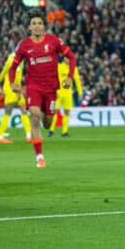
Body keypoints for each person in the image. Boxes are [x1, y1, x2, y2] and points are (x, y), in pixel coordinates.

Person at [9, 10, 77, 168]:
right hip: (33, 87)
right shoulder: (24, 45)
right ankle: (39, 156)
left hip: (51, 89)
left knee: (47, 123)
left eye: (39, 23)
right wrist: (12, 82)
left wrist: (69, 77)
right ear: (29, 27)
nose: (37, 26)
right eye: (34, 24)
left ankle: (42, 129)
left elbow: (71, 57)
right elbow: (13, 67)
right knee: (34, 115)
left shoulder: (54, 41)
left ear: (44, 26)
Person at [0, 51, 32, 142]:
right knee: (8, 111)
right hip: (12, 89)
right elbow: (14, 77)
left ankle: (29, 135)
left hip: (13, 88)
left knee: (24, 109)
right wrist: (18, 91)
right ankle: (0, 136)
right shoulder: (16, 61)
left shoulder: (11, 58)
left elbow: (4, 70)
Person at [49, 57, 83, 137]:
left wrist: (80, 92)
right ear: (64, 59)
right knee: (54, 111)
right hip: (58, 93)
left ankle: (64, 132)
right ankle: (51, 130)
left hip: (68, 93)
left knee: (67, 112)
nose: (68, 60)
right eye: (67, 58)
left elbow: (77, 80)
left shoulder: (73, 68)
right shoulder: (58, 66)